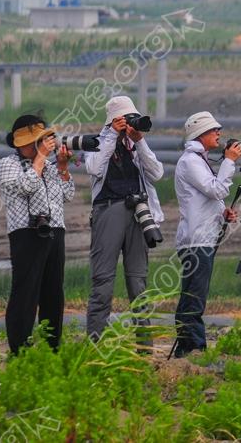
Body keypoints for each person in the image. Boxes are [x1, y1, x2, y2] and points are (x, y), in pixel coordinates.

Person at [84, 96, 164, 341]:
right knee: (103, 281)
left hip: (139, 212)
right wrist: (110, 135)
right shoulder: (97, 141)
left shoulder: (135, 146)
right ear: (113, 121)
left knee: (138, 282)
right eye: (127, 119)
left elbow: (157, 173)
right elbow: (95, 168)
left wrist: (140, 142)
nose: (132, 124)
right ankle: (96, 342)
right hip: (108, 209)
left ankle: (144, 343)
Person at [0, 114, 74, 354]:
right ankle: (20, 348)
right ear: (20, 144)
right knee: (25, 291)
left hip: (55, 232)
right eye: (35, 142)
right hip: (26, 234)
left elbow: (67, 195)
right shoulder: (7, 164)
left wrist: (62, 168)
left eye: (41, 141)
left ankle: (52, 346)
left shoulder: (49, 166)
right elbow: (26, 186)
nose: (39, 146)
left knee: (53, 293)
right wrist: (40, 158)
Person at [172, 112, 241, 357]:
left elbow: (205, 198)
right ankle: (194, 348)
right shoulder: (191, 160)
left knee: (192, 294)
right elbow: (216, 189)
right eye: (214, 130)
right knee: (195, 297)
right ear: (200, 134)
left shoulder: (199, 159)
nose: (219, 133)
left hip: (202, 237)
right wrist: (230, 161)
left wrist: (222, 213)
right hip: (197, 240)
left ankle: (185, 347)